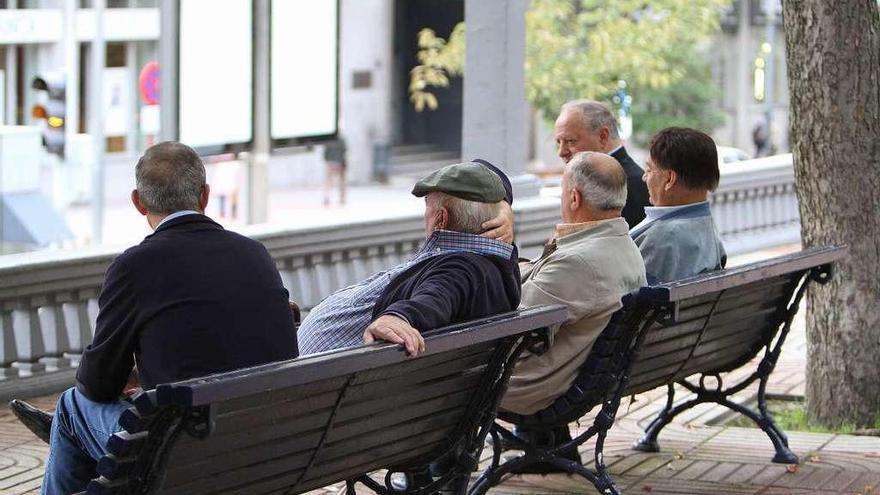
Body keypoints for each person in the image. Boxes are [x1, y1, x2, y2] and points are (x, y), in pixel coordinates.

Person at [9, 142, 298, 495]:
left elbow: (97, 383)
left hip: (186, 457)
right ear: (204, 195)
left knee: (72, 407)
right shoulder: (255, 254)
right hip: (268, 447)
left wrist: (124, 371)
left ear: (138, 202)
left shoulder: (135, 266)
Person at [297, 161, 521, 356]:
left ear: (442, 219)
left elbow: (438, 296)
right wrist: (501, 202)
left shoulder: (461, 267)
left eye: (428, 208)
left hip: (310, 386)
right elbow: (482, 172)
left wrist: (400, 316)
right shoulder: (499, 265)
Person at [630, 127, 726, 284]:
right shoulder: (705, 225)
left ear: (669, 179)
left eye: (649, 169)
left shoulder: (662, 238)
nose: (644, 177)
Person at [554, 99, 651, 228]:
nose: (561, 152)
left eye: (570, 141)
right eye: (558, 142)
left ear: (603, 137)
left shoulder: (630, 184)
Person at [323, 136, 347, 205]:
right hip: (338, 162)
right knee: (341, 181)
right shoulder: (341, 140)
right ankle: (342, 198)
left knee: (329, 181)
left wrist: (327, 161)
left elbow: (325, 153)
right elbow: (344, 150)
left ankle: (327, 197)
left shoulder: (329, 139)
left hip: (331, 162)